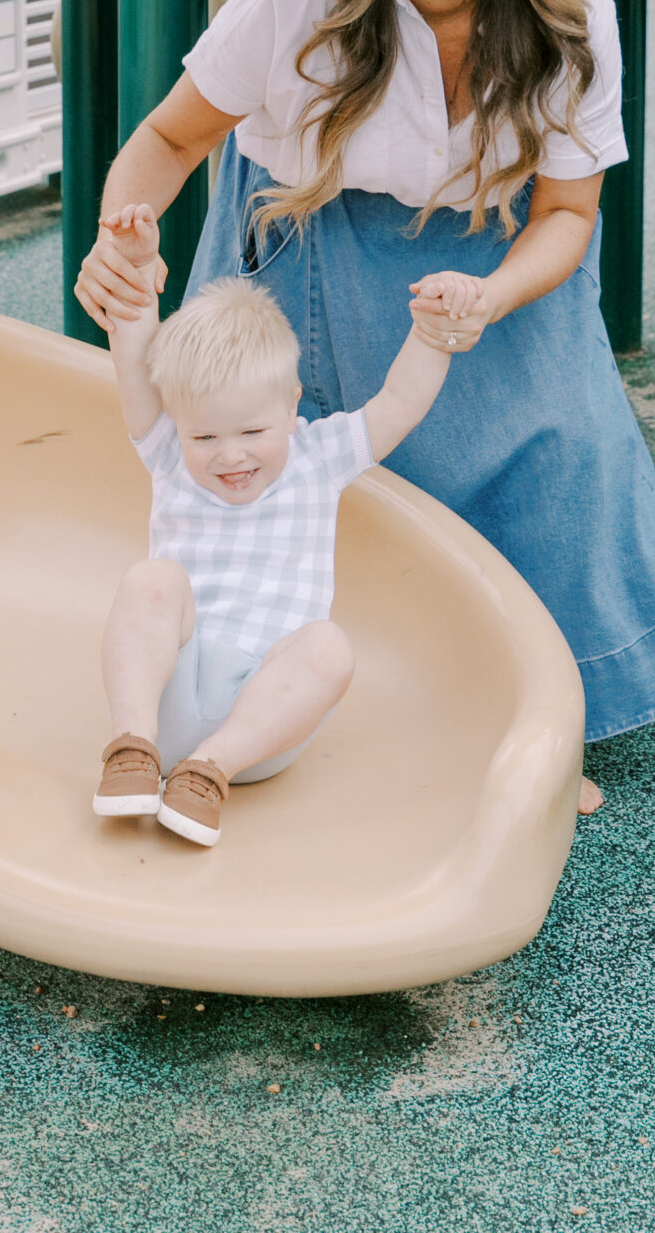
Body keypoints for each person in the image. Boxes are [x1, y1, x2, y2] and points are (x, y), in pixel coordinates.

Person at [78, 0, 655, 814]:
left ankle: (542, 718)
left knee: (562, 438)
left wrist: (494, 294)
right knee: (267, 440)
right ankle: (253, 692)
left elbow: (570, 217)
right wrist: (124, 232)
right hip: (307, 209)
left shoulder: (571, 9)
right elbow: (169, 137)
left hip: (498, 229)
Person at [93, 204, 466, 846]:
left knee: (330, 646)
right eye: (205, 434)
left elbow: (399, 403)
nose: (230, 455)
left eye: (252, 432)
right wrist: (131, 261)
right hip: (168, 700)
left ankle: (207, 775)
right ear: (178, 421)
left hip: (263, 724)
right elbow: (132, 350)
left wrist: (432, 337)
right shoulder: (168, 454)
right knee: (150, 580)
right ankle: (131, 751)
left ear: (292, 406)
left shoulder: (319, 457)